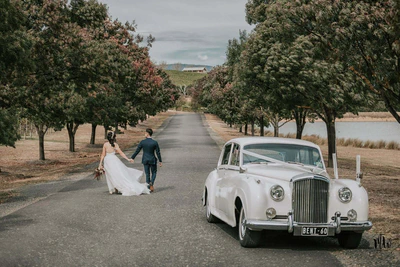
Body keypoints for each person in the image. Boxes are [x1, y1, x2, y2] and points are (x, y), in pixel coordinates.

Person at [99, 132, 150, 196]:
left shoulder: (105, 144)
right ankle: (116, 188)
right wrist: (127, 159)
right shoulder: (115, 144)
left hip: (107, 161)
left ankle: (112, 189)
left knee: (110, 175)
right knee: (118, 174)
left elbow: (103, 155)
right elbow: (121, 153)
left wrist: (100, 163)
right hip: (114, 160)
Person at [131, 128, 162, 193]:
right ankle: (151, 183)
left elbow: (137, 150)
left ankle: (148, 187)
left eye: (145, 133)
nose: (144, 134)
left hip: (145, 159)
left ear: (147, 134)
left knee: (147, 173)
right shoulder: (154, 142)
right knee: (154, 172)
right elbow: (158, 152)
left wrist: (132, 157)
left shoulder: (143, 142)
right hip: (152, 159)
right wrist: (160, 161)